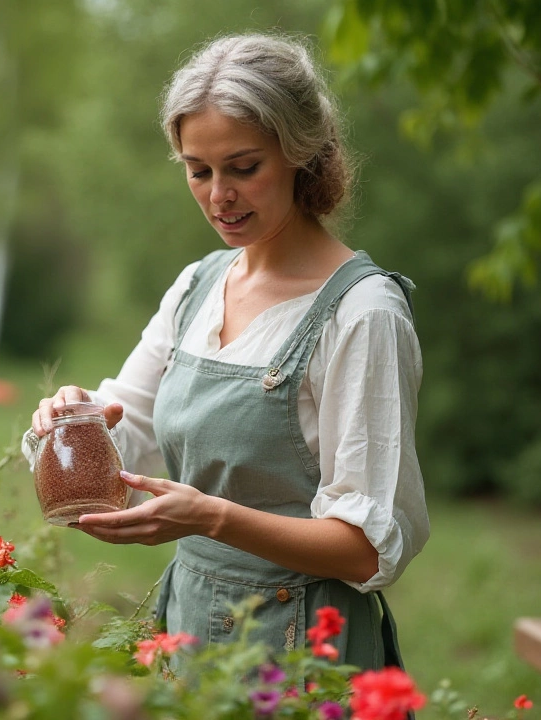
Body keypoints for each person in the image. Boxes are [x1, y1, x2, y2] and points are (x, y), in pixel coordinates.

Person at [24, 33, 429, 670]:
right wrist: (71, 421)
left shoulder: (362, 313)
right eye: (198, 170)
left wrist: (212, 518)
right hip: (189, 632)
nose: (220, 195)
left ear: (302, 155)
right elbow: (125, 436)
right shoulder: (197, 287)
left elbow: (364, 550)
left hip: (305, 648)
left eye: (244, 168)